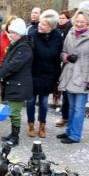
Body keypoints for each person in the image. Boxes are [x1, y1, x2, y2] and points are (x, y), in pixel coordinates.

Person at [57, 8, 89, 144]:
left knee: (79, 108)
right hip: (70, 75)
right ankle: (69, 131)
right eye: (77, 21)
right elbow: (63, 52)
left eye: (82, 22)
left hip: (83, 77)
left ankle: (75, 135)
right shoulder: (70, 32)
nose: (79, 24)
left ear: (88, 22)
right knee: (71, 107)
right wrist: (66, 57)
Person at [26, 9, 63, 138]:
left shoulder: (57, 37)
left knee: (44, 101)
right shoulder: (32, 35)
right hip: (33, 73)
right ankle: (31, 124)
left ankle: (42, 125)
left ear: (52, 27)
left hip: (48, 75)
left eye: (44, 24)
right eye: (40, 23)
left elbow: (58, 57)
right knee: (30, 101)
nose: (40, 26)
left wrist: (56, 77)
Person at [0, 18, 33, 146]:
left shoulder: (24, 47)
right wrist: (0, 71)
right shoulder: (16, 44)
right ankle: (12, 134)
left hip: (19, 85)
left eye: (12, 32)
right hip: (14, 84)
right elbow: (6, 61)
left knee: (14, 113)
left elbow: (14, 65)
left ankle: (15, 136)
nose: (10, 34)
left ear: (19, 32)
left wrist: (1, 73)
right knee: (13, 111)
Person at [54, 10, 73, 126]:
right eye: (59, 18)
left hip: (68, 63)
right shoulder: (56, 29)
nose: (60, 20)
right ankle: (64, 115)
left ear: (68, 19)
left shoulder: (70, 30)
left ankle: (66, 117)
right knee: (61, 89)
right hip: (59, 60)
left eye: (63, 18)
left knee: (67, 93)